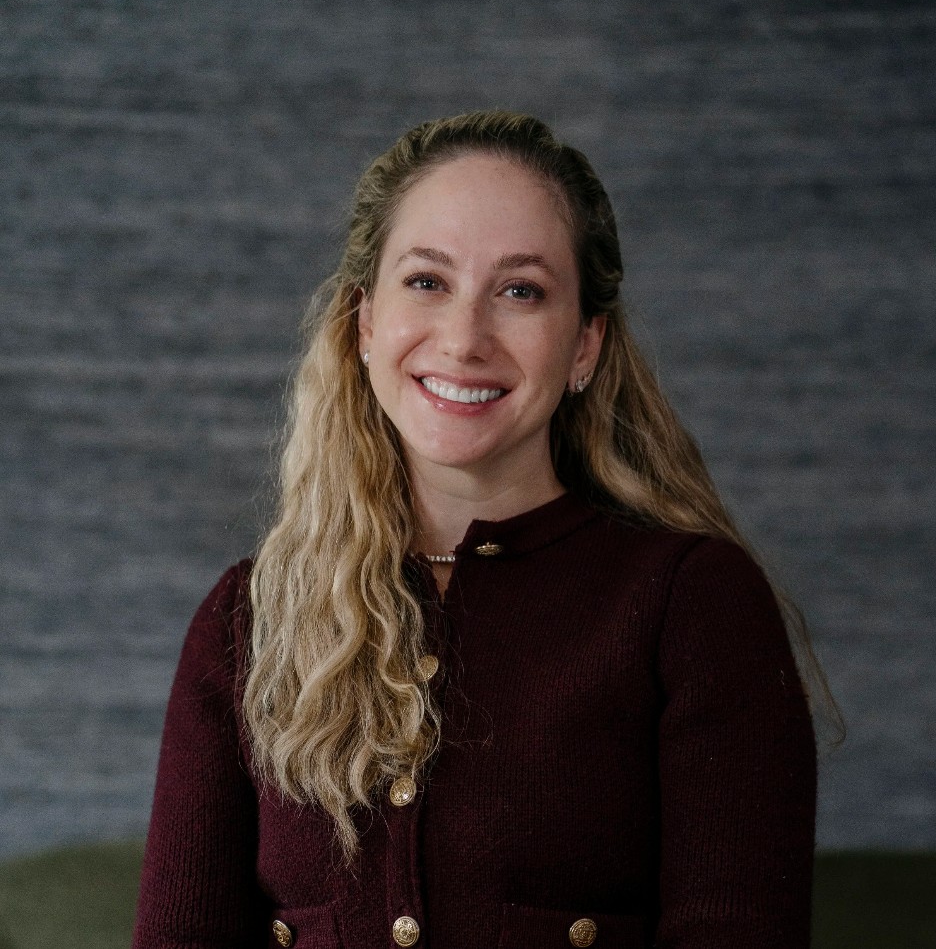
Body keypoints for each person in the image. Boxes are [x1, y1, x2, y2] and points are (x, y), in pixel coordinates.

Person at [133, 111, 828, 949]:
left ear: (584, 347)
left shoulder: (694, 606)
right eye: (427, 281)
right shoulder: (246, 621)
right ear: (363, 323)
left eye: (521, 290)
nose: (464, 340)